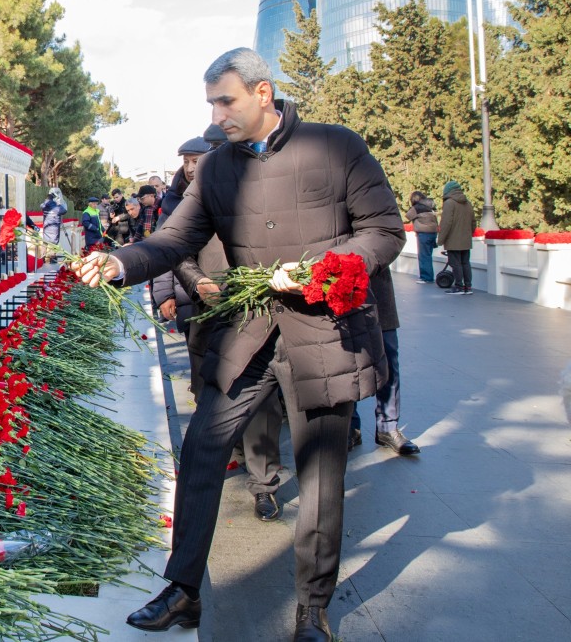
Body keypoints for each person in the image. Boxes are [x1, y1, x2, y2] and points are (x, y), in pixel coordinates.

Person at [74, 47, 403, 642]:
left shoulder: (338, 146)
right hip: (246, 336)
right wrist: (119, 263)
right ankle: (184, 591)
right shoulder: (219, 168)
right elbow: (173, 239)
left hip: (324, 336)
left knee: (322, 478)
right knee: (202, 448)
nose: (217, 114)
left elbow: (384, 231)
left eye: (225, 100)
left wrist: (324, 270)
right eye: (211, 104)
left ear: (262, 92)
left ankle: (312, 609)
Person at [152, 130, 286, 524]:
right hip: (205, 310)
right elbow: (173, 250)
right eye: (188, 160)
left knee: (260, 401)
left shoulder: (252, 182)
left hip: (253, 310)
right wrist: (189, 285)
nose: (192, 167)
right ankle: (224, 458)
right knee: (207, 391)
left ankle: (264, 485)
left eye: (200, 158)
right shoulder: (177, 201)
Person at [350, 266, 420, 455]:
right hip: (342, 285)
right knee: (348, 362)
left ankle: (388, 427)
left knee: (388, 359)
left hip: (377, 282)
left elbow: (390, 238)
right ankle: (350, 427)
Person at [438, 180, 475, 295]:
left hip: (453, 240)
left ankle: (458, 286)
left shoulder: (449, 203)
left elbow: (446, 223)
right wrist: (469, 234)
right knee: (465, 263)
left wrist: (440, 240)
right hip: (466, 239)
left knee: (456, 263)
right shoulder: (467, 203)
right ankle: (468, 286)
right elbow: (473, 222)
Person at [406, 191, 438, 283]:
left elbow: (408, 216)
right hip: (433, 233)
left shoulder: (416, 208)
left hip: (423, 233)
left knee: (423, 255)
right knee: (428, 255)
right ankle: (429, 275)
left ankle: (426, 277)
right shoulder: (431, 205)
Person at [40, 188, 66, 263]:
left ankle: (42, 259)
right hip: (54, 229)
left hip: (46, 228)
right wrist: (59, 203)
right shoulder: (56, 207)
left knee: (44, 243)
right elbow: (64, 210)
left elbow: (42, 205)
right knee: (54, 245)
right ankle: (53, 260)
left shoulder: (45, 205)